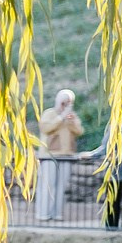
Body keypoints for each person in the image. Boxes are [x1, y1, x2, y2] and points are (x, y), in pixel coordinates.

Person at [37, 89, 83, 222]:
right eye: (63, 101)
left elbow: (79, 131)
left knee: (61, 186)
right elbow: (45, 128)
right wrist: (61, 117)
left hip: (66, 156)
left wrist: (71, 119)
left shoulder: (71, 116)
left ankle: (56, 213)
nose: (65, 104)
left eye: (68, 102)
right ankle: (44, 214)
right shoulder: (49, 114)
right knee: (48, 186)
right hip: (49, 156)